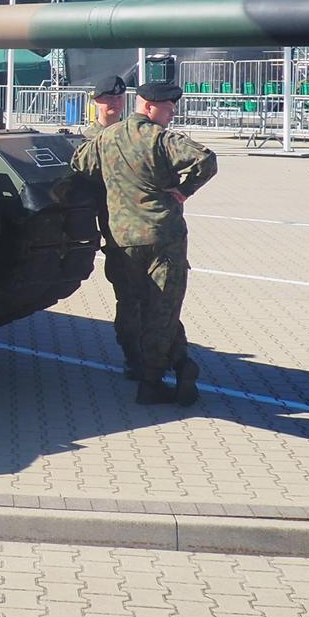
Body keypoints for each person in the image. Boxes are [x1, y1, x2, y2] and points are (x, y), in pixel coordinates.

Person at [69, 81, 217, 406]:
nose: (172, 113)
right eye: (168, 108)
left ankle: (152, 363)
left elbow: (79, 163)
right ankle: (154, 379)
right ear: (148, 107)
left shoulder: (106, 138)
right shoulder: (161, 139)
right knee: (163, 308)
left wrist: (113, 182)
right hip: (162, 238)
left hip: (122, 240)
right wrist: (185, 190)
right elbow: (206, 159)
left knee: (132, 304)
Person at [73, 74, 143, 380]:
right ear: (95, 101)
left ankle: (158, 353)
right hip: (116, 233)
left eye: (118, 98)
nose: (113, 103)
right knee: (128, 297)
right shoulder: (86, 141)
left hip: (144, 229)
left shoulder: (136, 135)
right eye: (106, 98)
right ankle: (134, 355)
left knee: (155, 299)